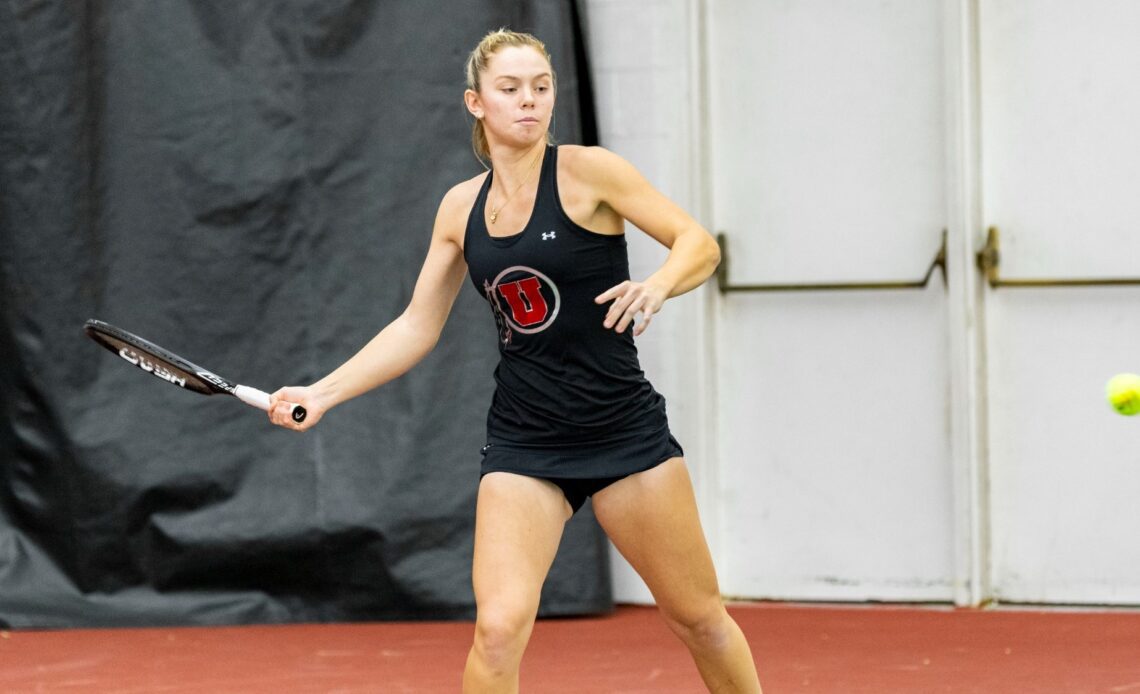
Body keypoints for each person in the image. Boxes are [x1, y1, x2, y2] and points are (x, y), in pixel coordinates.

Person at [268, 28, 763, 694]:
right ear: (476, 102)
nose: (529, 101)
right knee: (498, 630)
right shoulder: (458, 209)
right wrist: (323, 392)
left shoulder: (590, 172)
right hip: (525, 441)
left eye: (541, 87)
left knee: (700, 620)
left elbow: (698, 245)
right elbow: (417, 325)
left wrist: (658, 284)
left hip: (623, 433)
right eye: (509, 89)